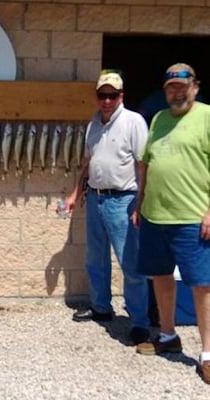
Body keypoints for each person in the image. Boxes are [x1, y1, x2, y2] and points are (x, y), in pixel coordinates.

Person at [134, 63, 210, 384]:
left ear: (195, 86)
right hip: (154, 216)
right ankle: (167, 335)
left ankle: (207, 355)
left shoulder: (206, 115)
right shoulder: (159, 119)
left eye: (183, 86)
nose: (177, 92)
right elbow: (145, 166)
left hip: (193, 217)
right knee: (161, 277)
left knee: (202, 285)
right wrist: (139, 205)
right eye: (171, 88)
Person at [64, 71, 151, 345]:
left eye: (112, 95)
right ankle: (101, 308)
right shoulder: (93, 124)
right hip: (96, 199)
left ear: (121, 96)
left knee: (130, 264)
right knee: (95, 259)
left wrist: (140, 202)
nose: (107, 100)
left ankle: (139, 322)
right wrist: (76, 192)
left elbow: (143, 165)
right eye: (103, 95)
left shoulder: (133, 122)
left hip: (123, 200)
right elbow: (89, 162)